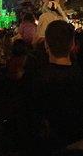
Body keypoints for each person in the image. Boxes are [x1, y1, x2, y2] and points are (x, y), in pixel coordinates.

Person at [33, 20, 83, 150]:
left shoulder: (38, 81)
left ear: (46, 44)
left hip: (50, 146)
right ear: (72, 45)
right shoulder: (78, 75)